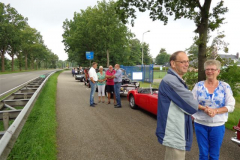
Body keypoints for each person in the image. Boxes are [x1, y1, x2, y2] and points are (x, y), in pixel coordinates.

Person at [156, 51, 200, 160]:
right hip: (175, 131)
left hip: (175, 129)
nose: (187, 64)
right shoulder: (171, 81)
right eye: (183, 61)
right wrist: (193, 99)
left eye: (187, 61)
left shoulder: (174, 79)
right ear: (173, 63)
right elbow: (192, 105)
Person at [192, 59, 235, 160]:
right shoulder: (198, 86)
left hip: (217, 126)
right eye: (207, 69)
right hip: (200, 124)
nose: (210, 71)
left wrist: (215, 111)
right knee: (203, 153)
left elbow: (231, 106)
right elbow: (191, 102)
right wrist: (203, 109)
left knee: (214, 154)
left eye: (212, 69)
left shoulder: (225, 87)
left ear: (218, 71)